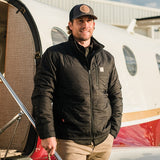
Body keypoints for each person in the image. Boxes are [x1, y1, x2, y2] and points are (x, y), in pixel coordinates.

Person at [32, 4, 123, 160]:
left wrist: (112, 132)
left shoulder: (107, 58)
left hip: (103, 142)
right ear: (70, 25)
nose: (85, 25)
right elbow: (42, 96)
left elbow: (116, 95)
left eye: (89, 21)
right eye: (80, 21)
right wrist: (47, 133)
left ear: (94, 25)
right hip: (71, 142)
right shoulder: (55, 55)